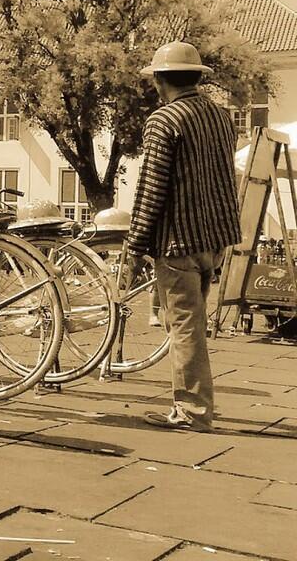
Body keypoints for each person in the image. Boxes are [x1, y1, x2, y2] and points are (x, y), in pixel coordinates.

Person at [126, 41, 240, 432]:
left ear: (160, 81)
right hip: (214, 238)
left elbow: (152, 187)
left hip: (178, 241)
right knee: (193, 323)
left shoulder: (165, 120)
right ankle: (195, 404)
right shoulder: (222, 117)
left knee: (185, 327)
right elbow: (226, 177)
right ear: (196, 76)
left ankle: (192, 411)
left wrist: (135, 243)